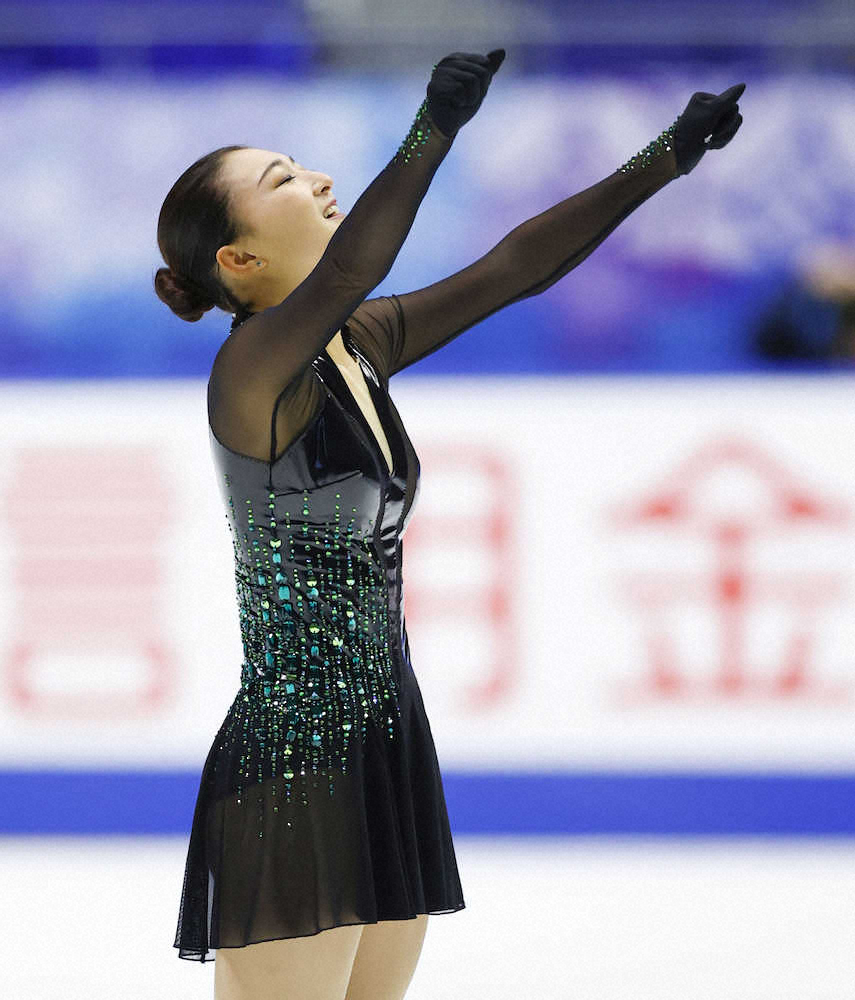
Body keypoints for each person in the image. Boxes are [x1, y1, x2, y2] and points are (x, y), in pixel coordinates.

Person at [154, 48, 745, 1000]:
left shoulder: (358, 346)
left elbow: (515, 267)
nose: (318, 178)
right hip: (295, 761)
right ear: (239, 260)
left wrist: (665, 156)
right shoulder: (250, 373)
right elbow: (356, 263)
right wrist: (434, 126)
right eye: (283, 180)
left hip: (387, 740)